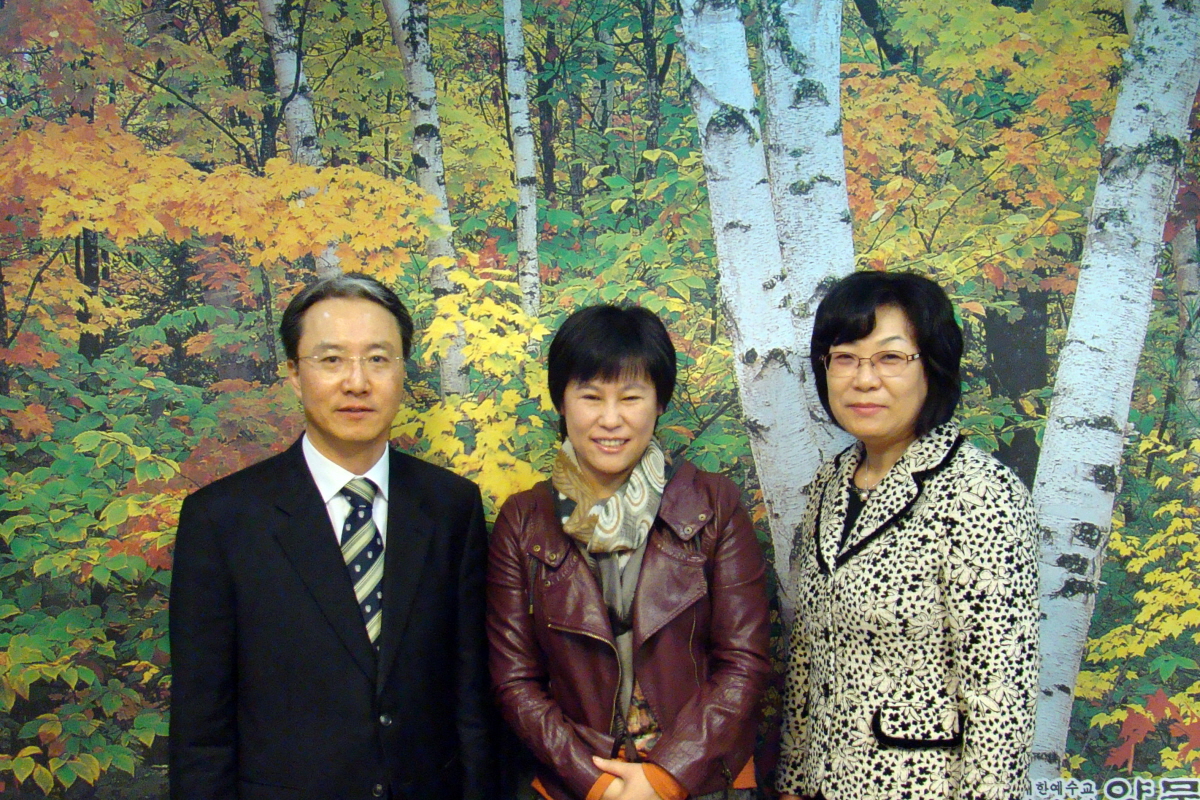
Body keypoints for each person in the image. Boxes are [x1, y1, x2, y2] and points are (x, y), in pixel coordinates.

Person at [169, 273, 493, 800]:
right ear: (294, 374)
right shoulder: (221, 520)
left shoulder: (452, 506)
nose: (357, 382)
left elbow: (472, 699)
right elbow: (200, 729)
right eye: (332, 359)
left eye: (378, 359)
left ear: (403, 371)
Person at [486, 304, 771, 800]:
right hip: (579, 784)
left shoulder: (714, 505)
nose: (610, 419)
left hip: (701, 781)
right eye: (590, 396)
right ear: (561, 402)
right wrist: (596, 782)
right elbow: (514, 681)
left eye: (631, 397)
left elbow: (744, 662)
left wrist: (666, 776)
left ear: (659, 403)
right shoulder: (524, 520)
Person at [775, 271, 1040, 800]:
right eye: (844, 358)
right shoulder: (831, 481)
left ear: (933, 367)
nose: (864, 379)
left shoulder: (978, 492)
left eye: (890, 358)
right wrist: (794, 781)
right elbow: (808, 656)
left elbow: (1001, 695)